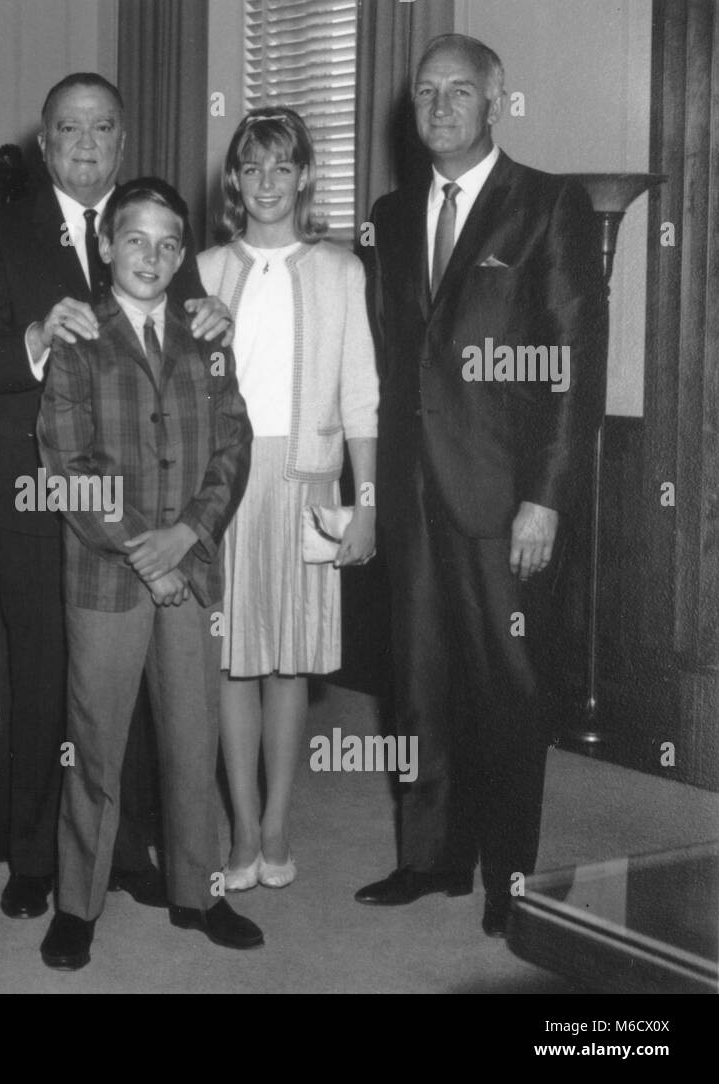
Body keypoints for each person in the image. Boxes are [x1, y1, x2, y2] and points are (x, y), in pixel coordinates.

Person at [0, 73, 230, 920]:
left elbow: (190, 364)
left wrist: (217, 318)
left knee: (153, 694)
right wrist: (38, 340)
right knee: (48, 686)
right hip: (47, 493)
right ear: (45, 144)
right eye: (69, 128)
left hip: (154, 508)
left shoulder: (156, 228)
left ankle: (134, 852)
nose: (85, 142)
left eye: (102, 127)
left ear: (121, 140)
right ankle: (37, 860)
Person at [357, 34, 606, 936]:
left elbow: (573, 364)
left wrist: (547, 496)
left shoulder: (547, 205)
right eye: (426, 92)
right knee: (419, 680)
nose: (440, 106)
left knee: (507, 685)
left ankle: (510, 874)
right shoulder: (387, 215)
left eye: (460, 91)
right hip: (411, 492)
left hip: (505, 497)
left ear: (496, 101)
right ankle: (430, 858)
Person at [36, 178, 261, 970]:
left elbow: (235, 445)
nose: (152, 256)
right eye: (135, 239)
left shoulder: (207, 336)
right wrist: (145, 549)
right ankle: (77, 903)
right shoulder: (76, 341)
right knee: (94, 744)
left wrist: (188, 535)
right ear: (105, 246)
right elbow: (69, 467)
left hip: (192, 569)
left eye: (170, 244)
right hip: (110, 578)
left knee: (193, 737)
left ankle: (198, 891)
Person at [199, 108, 378, 891]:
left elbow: (362, 399)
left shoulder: (341, 270)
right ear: (235, 180)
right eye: (252, 168)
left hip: (307, 479)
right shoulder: (203, 268)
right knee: (233, 661)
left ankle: (277, 825)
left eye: (282, 167)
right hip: (225, 484)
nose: (267, 183)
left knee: (289, 665)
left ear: (306, 177)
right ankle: (239, 825)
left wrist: (363, 502)